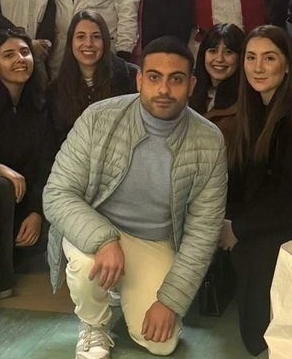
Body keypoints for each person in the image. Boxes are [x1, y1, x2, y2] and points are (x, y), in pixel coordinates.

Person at [43, 36, 228, 358]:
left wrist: (170, 301)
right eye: (154, 77)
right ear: (140, 80)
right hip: (96, 228)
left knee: (161, 344)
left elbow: (203, 232)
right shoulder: (98, 117)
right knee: (87, 263)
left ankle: (123, 285)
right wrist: (103, 239)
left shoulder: (209, 140)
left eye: (176, 79)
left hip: (153, 239)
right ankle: (94, 324)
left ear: (191, 85)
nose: (164, 89)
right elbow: (57, 193)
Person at [223, 25, 292, 355]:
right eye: (251, 58)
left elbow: (291, 201)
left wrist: (238, 229)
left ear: (287, 65)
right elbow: (240, 180)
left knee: (254, 260)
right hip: (262, 216)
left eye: (269, 58)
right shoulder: (254, 109)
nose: (258, 67)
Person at [0, 30, 59, 279]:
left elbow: (45, 162)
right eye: (8, 55)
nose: (20, 59)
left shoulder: (40, 104)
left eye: (24, 52)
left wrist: (36, 211)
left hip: (28, 199)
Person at [47, 10, 138, 138]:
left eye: (96, 37)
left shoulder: (132, 78)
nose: (88, 44)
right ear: (70, 42)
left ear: (105, 41)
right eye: (81, 37)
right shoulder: (54, 91)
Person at [189, 23, 244, 118]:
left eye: (228, 52)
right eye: (213, 51)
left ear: (240, 57)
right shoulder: (188, 91)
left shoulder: (245, 100)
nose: (219, 59)